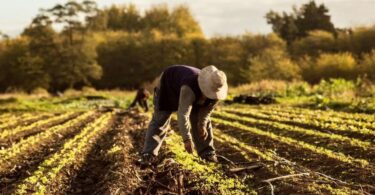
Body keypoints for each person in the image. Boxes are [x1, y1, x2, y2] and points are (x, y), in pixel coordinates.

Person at [139, 65, 228, 166]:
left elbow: (206, 111)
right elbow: (183, 114)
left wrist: (202, 124)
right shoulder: (189, 87)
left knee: (201, 123)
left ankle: (207, 153)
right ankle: (148, 154)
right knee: (161, 119)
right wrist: (187, 139)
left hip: (188, 90)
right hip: (168, 84)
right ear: (205, 85)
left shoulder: (217, 91)